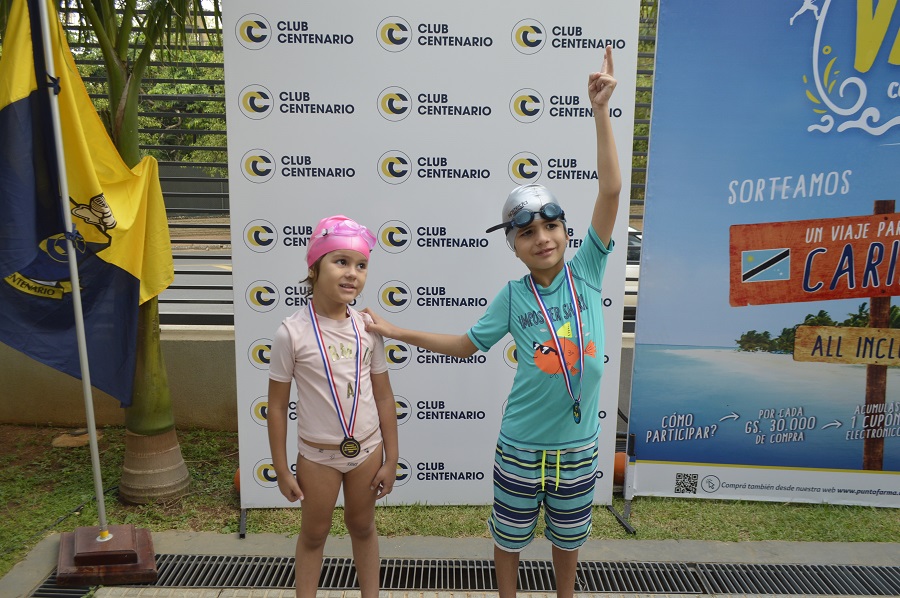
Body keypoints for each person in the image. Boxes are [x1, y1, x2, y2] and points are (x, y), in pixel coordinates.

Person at [363, 47, 621, 598]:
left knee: (569, 542)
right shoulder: (512, 296)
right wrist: (396, 331)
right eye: (527, 233)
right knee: (509, 540)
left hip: (578, 448)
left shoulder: (588, 271)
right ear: (513, 246)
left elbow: (611, 190)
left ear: (567, 233)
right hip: (520, 445)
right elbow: (465, 345)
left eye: (551, 226)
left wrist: (599, 112)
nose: (542, 238)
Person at [267, 215, 399, 598]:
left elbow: (384, 396)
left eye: (361, 265)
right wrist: (281, 468)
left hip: (367, 453)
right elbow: (276, 407)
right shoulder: (291, 333)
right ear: (314, 267)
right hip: (317, 457)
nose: (352, 273)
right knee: (313, 534)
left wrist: (392, 458)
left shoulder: (368, 329)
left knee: (363, 527)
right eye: (341, 262)